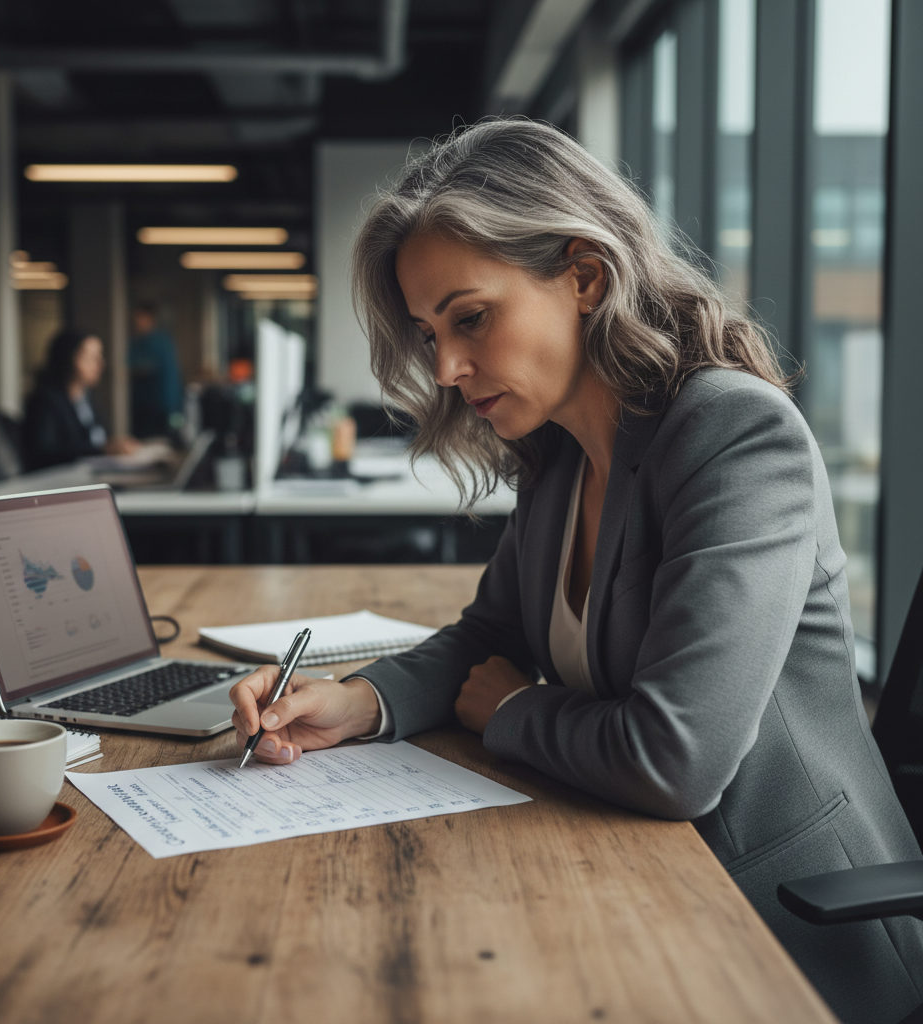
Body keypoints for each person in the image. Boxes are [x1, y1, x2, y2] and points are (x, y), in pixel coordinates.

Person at [228, 119, 923, 1022]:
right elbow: (490, 637)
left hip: (789, 935)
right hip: (643, 880)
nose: (445, 367)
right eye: (429, 331)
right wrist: (359, 702)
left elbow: (674, 760)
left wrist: (513, 710)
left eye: (471, 318)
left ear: (586, 276)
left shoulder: (734, 436)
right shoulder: (562, 453)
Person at [22, 328, 138, 471]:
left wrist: (115, 445)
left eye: (100, 356)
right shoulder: (45, 401)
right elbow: (44, 452)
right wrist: (103, 450)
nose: (100, 364)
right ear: (68, 359)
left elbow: (95, 438)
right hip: (63, 479)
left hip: (93, 472)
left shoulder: (85, 398)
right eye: (90, 358)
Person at [128, 302, 184, 438]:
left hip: (160, 405)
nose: (136, 322)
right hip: (142, 407)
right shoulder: (136, 343)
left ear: (150, 319)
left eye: (140, 317)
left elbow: (144, 367)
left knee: (162, 440)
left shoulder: (161, 342)